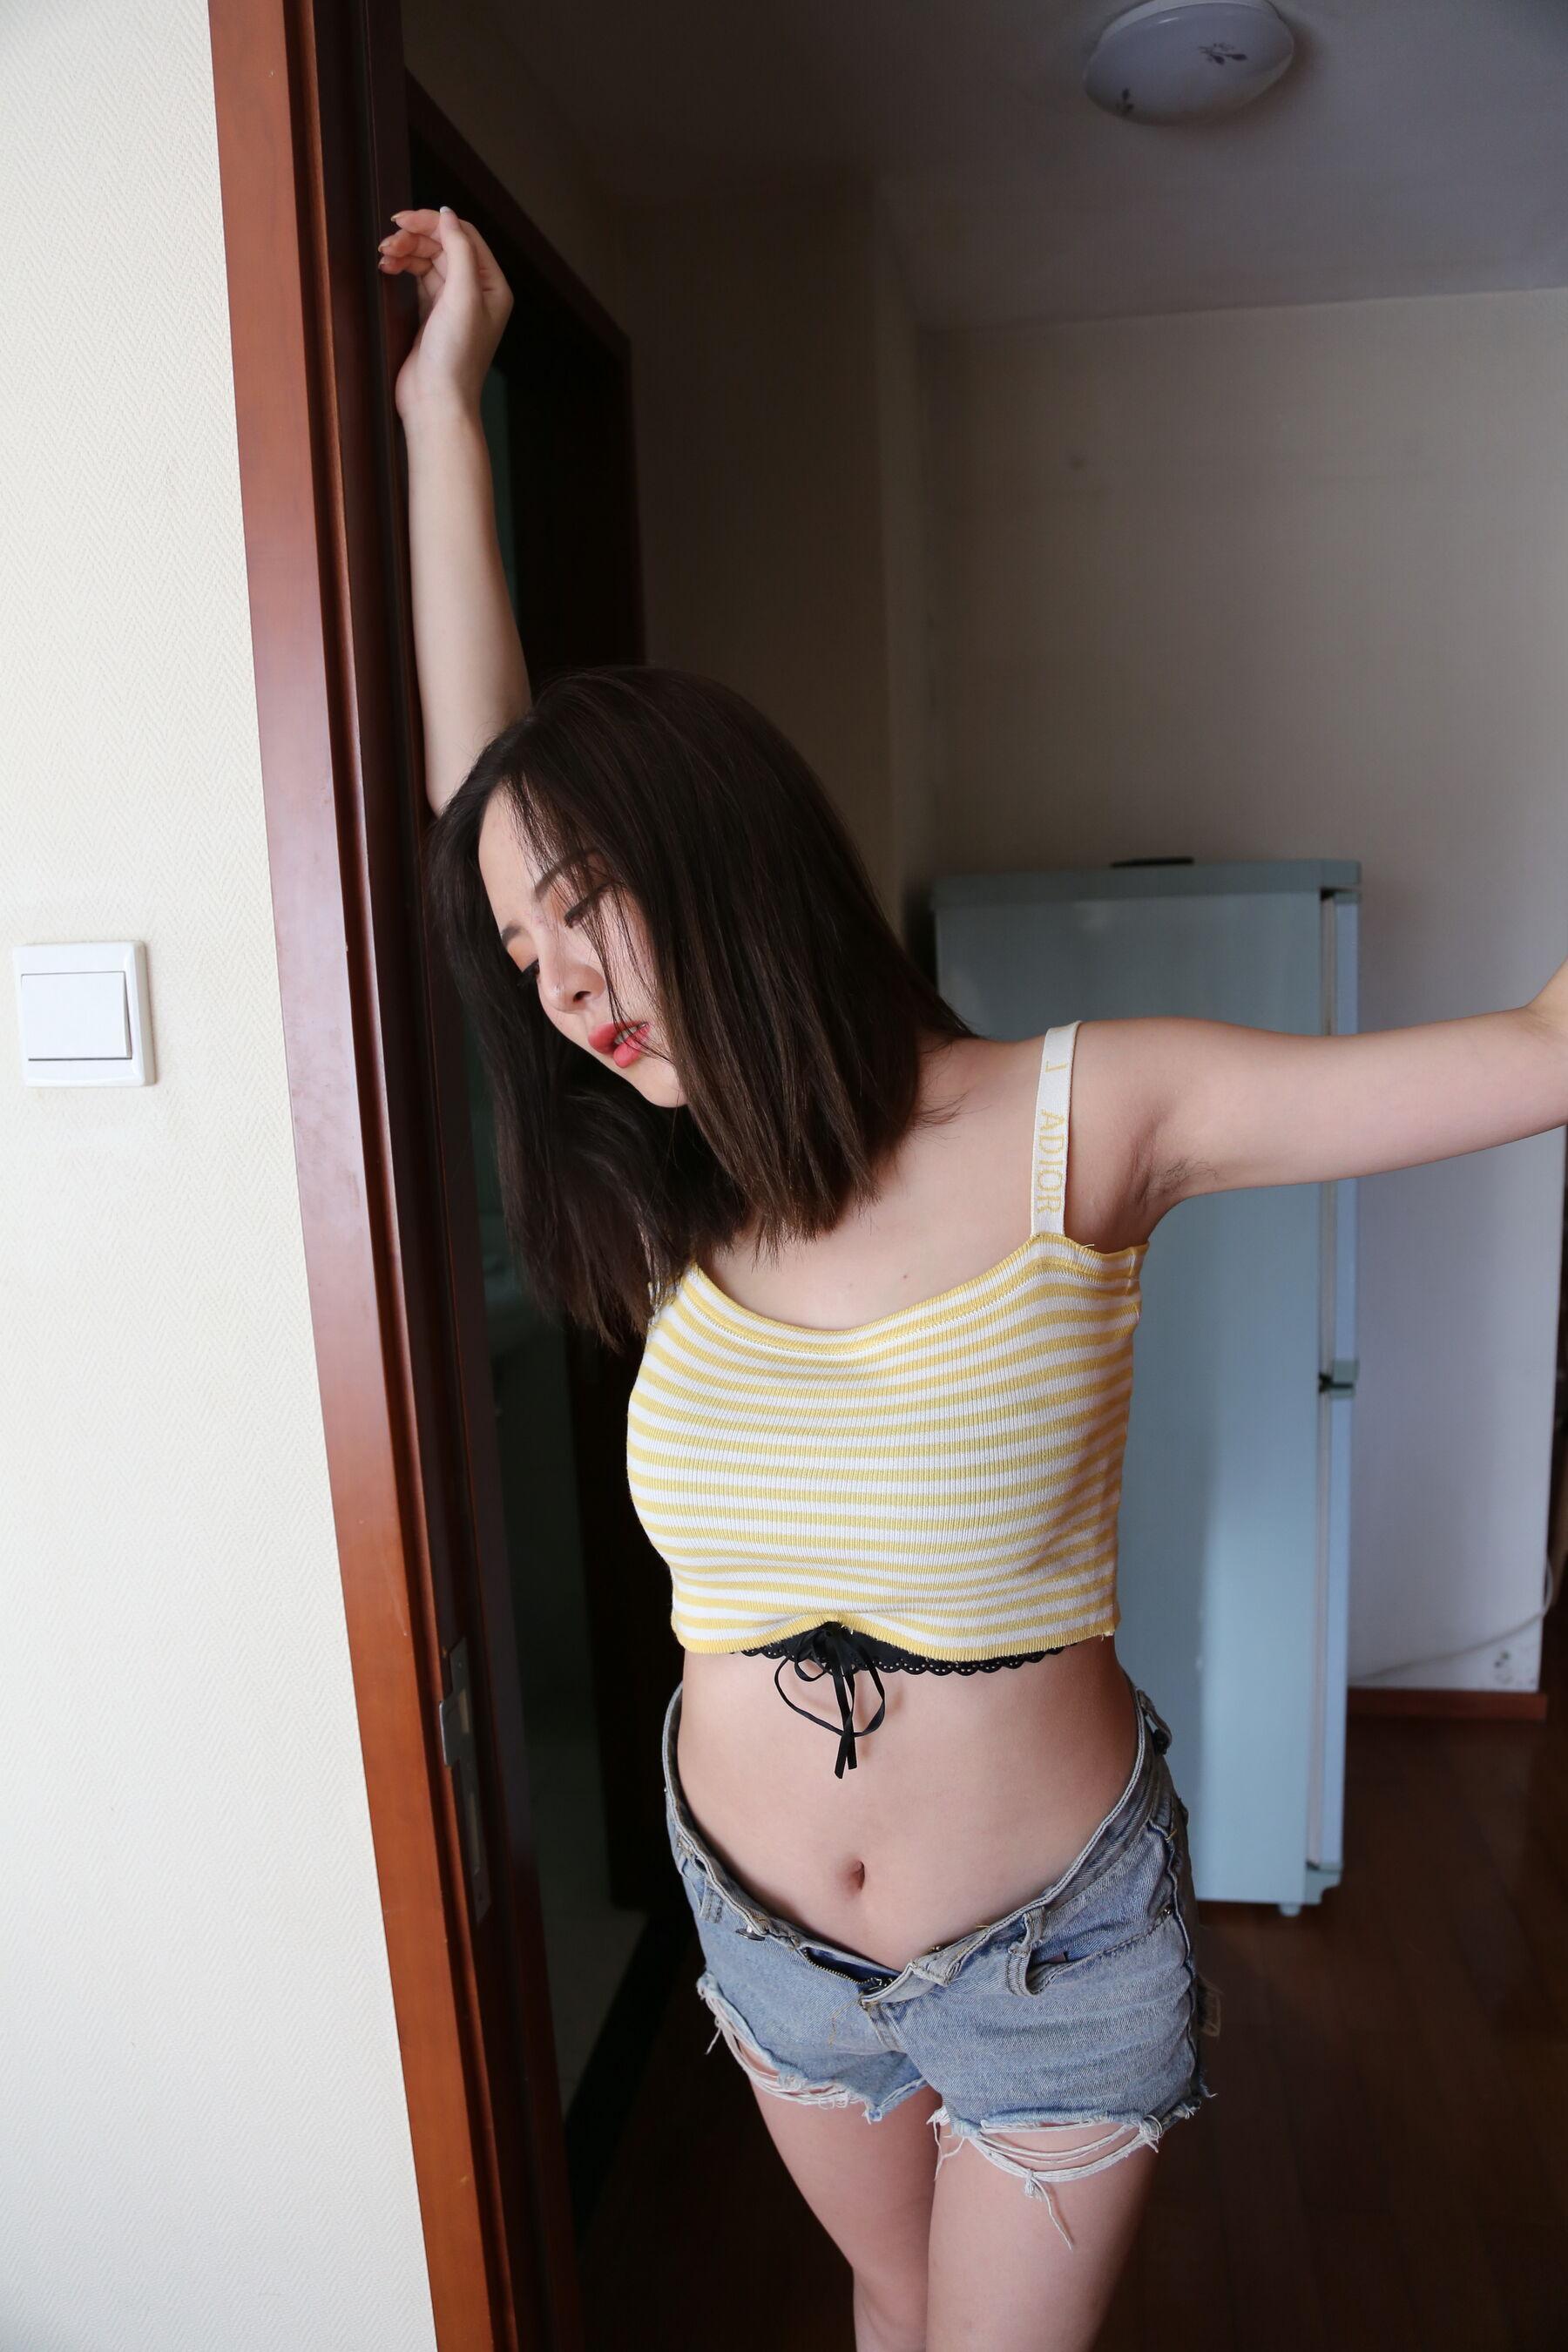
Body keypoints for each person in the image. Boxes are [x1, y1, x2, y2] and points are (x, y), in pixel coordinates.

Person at [379, 206, 1568, 2352]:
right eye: (530, 959)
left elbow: (1540, 1054)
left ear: (726, 859)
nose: (562, 990)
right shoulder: (677, 1189)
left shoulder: (1084, 1117)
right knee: (893, 2306)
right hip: (765, 1937)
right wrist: (438, 406)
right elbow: (491, 801)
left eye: (592, 914)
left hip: (1050, 1950)